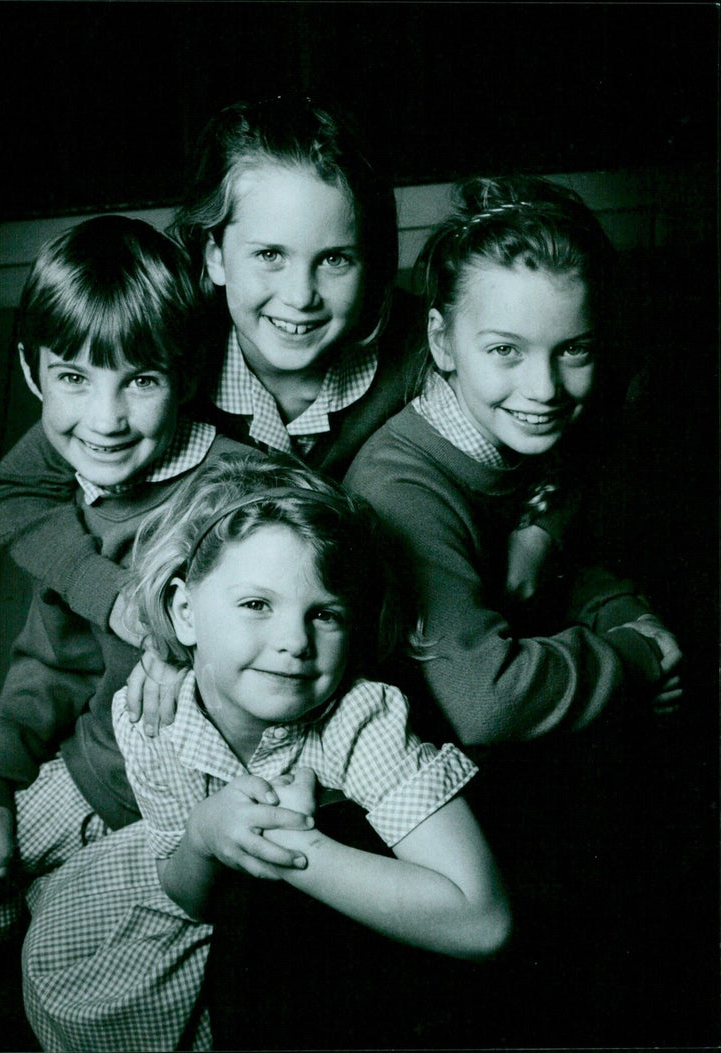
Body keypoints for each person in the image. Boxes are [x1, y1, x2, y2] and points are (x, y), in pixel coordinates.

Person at [343, 175, 684, 1043]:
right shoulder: (401, 487)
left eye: (574, 349)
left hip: (503, 697)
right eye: (506, 350)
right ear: (442, 342)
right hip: (404, 770)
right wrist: (634, 660)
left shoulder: (535, 418)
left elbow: (563, 522)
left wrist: (619, 610)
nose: (545, 387)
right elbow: (484, 700)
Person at [21, 455, 511, 1052]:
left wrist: (287, 848)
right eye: (257, 604)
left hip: (311, 942)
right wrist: (204, 835)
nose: (294, 642)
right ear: (184, 611)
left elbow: (481, 922)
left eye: (325, 614)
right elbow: (188, 892)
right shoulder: (152, 714)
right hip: (183, 910)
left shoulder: (360, 718)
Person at [0, 93, 417, 734]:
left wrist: (539, 532)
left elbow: (579, 405)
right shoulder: (159, 372)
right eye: (269, 254)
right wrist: (139, 611)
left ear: (371, 262)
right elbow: (20, 487)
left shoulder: (417, 349)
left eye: (335, 259)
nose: (300, 297)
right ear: (213, 254)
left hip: (351, 643)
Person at [0, 216, 252, 1053]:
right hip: (83, 769)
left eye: (139, 380)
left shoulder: (238, 491)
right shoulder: (83, 478)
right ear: (33, 371)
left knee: (81, 995)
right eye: (73, 375)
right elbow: (54, 649)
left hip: (179, 818)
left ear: (184, 374)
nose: (103, 418)